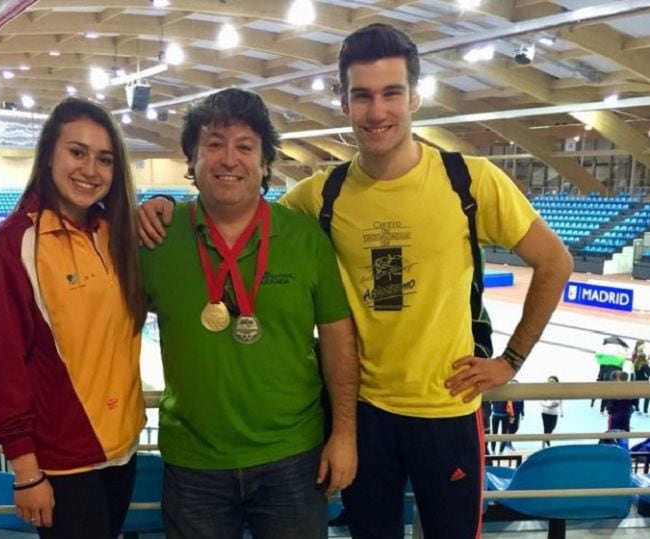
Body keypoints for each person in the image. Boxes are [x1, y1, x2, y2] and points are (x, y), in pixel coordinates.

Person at [138, 23, 573, 538]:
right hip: (363, 416)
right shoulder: (321, 194)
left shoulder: (470, 180)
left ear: (414, 96)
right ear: (344, 102)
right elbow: (241, 210)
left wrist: (511, 361)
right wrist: (163, 205)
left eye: (391, 93)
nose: (377, 110)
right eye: (362, 95)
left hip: (447, 409)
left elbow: (555, 263)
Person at [140, 88, 359, 539]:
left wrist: (344, 434)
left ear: (263, 164)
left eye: (245, 147)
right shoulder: (157, 237)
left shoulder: (304, 239)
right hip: (193, 463)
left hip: (293, 458)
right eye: (214, 144)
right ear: (192, 159)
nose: (228, 159)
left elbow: (339, 340)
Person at [0, 97, 147, 538]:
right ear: (49, 153)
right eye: (77, 152)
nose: (91, 170)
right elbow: (0, 368)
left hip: (122, 450)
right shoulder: (12, 249)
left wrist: (160, 200)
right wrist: (26, 471)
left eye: (104, 159)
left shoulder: (115, 233)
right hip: (63, 461)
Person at [540, 375, 563, 448]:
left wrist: (562, 412)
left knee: (552, 427)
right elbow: (541, 402)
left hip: (554, 413)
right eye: (550, 381)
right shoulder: (545, 391)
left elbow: (559, 402)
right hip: (545, 413)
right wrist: (549, 405)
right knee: (546, 428)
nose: (551, 383)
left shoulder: (559, 391)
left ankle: (546, 441)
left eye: (553, 381)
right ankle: (545, 444)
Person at [632, 340, 649, 414]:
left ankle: (636, 408)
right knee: (647, 396)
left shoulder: (637, 364)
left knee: (637, 395)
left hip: (637, 380)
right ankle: (645, 410)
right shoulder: (644, 364)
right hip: (644, 382)